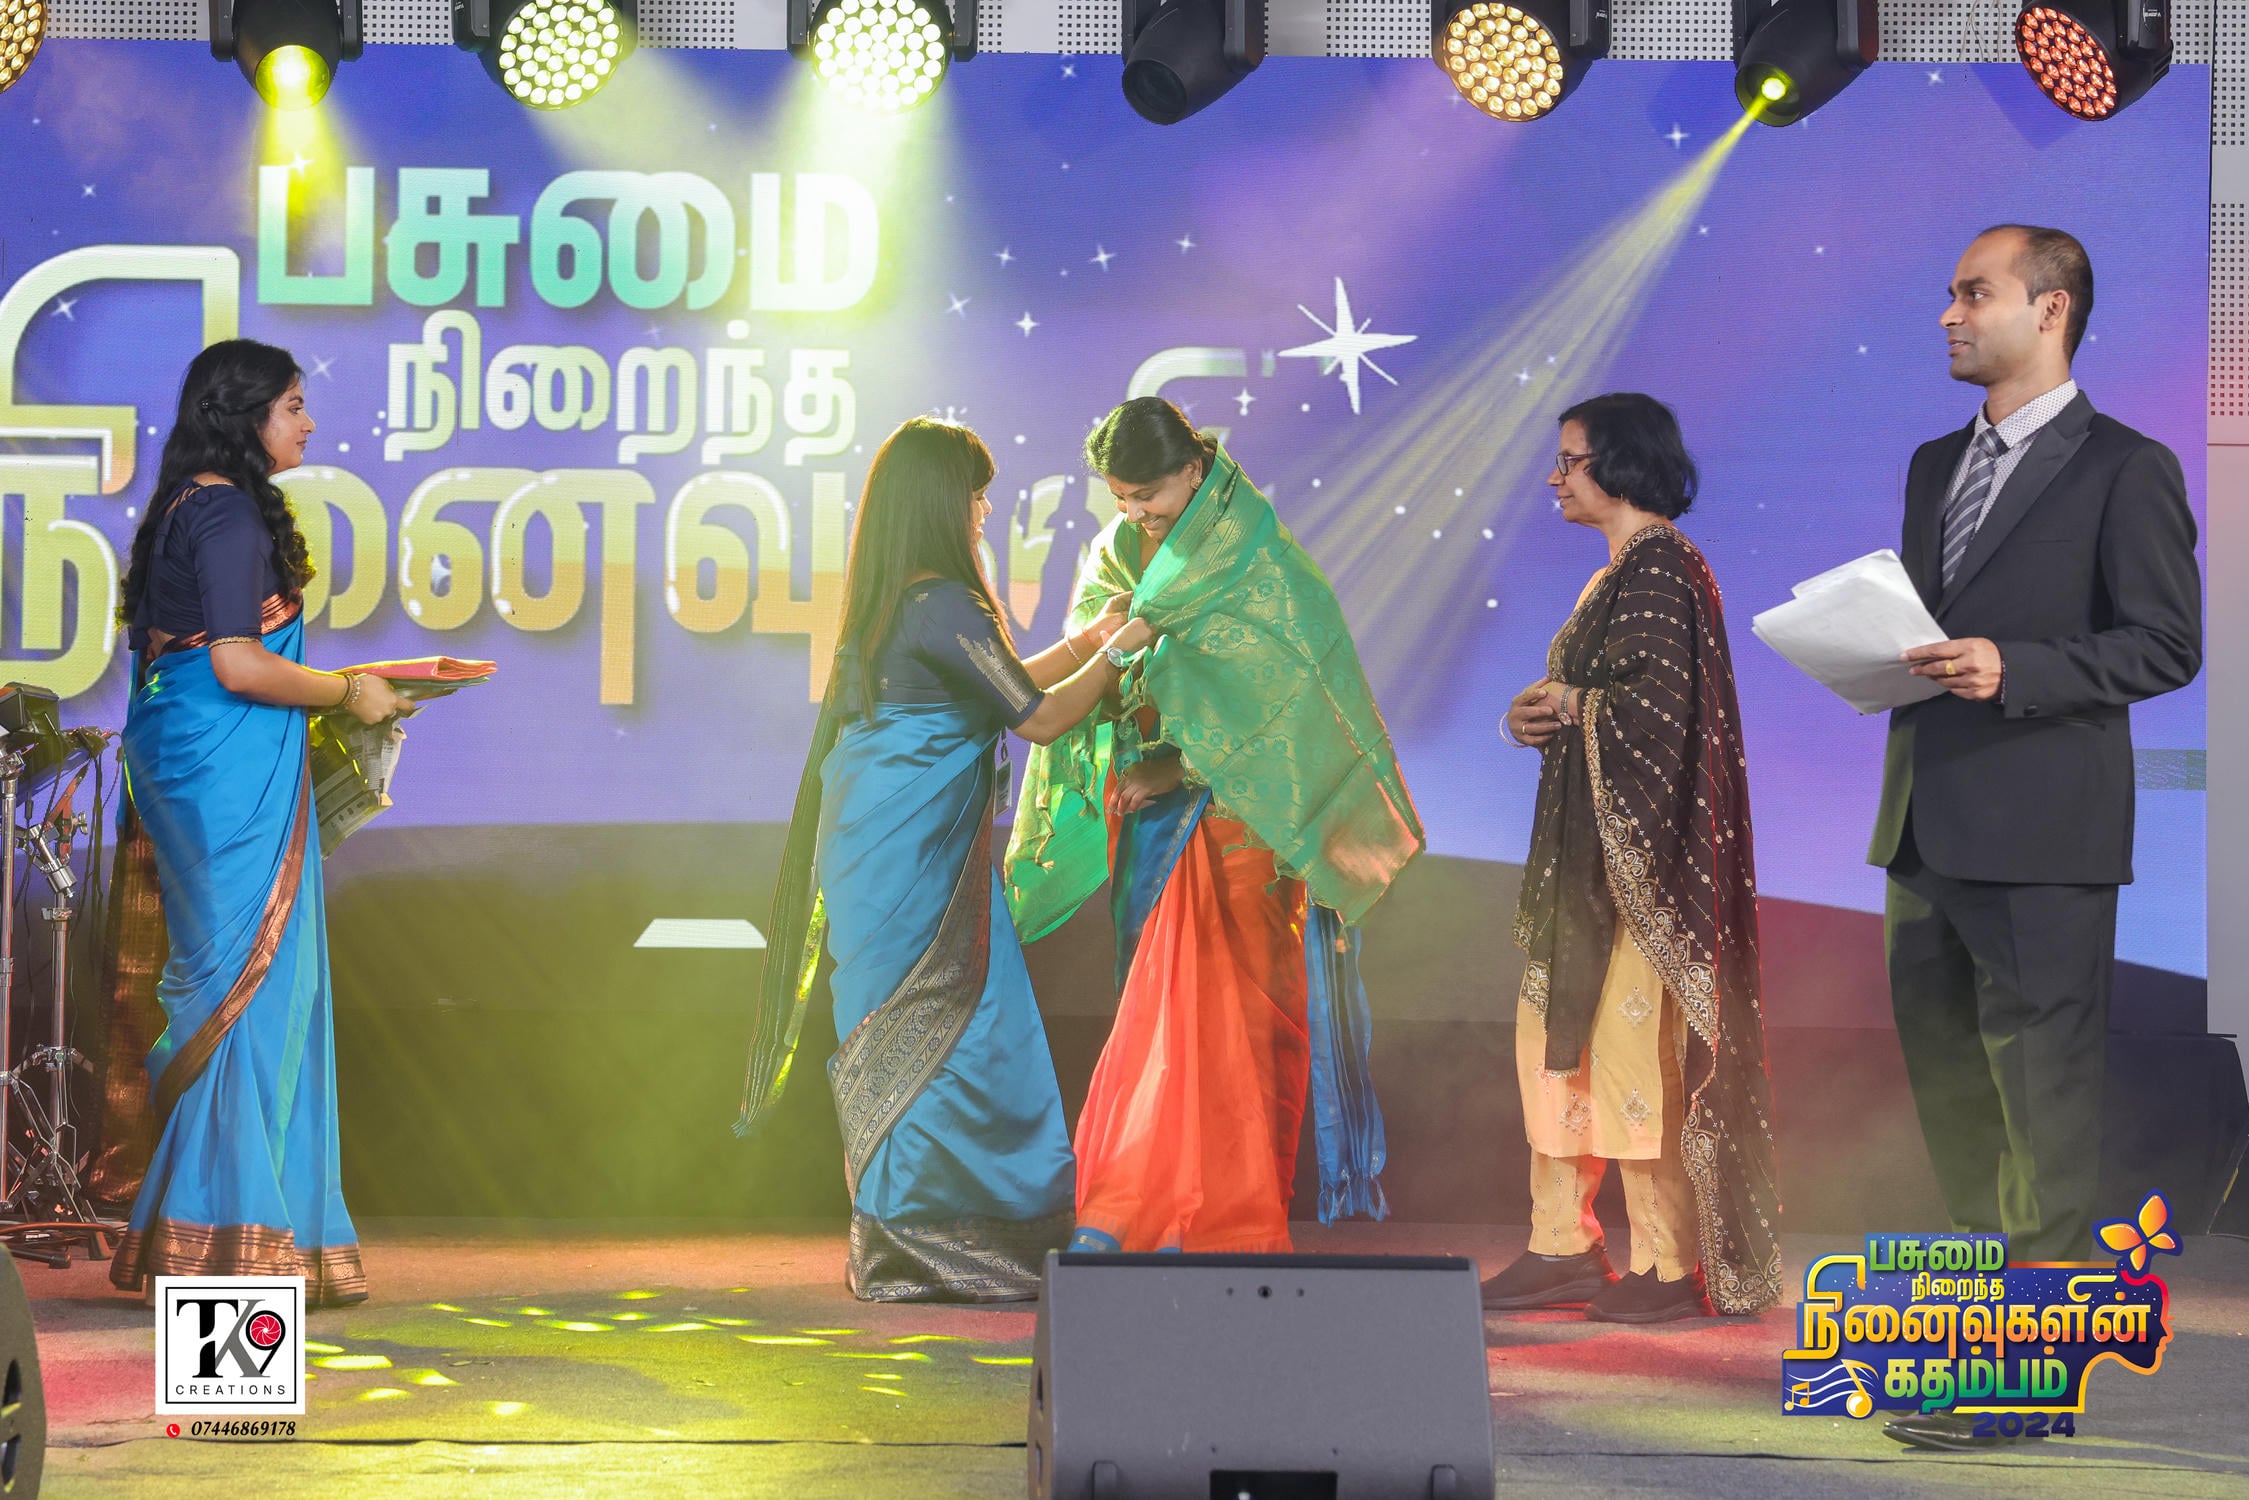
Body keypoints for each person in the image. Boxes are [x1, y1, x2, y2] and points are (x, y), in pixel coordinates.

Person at [1869, 227, 2200, 1449]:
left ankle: (2021, 1374)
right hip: (1921, 826)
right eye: (1948, 293)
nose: (1948, 315)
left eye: (1973, 293)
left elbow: (2165, 644)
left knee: (2042, 1113)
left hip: (2044, 836)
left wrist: (2016, 668)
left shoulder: (2124, 466)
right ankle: (1970, 1342)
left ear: (2049, 309)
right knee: (1955, 1097)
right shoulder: (1930, 463)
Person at [738, 418, 1155, 1301]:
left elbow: (999, 686)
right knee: (954, 1029)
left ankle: (904, 1243)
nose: (984, 511)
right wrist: (1123, 648)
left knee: (916, 1027)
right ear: (941, 502)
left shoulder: (899, 598)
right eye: (975, 495)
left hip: (877, 844)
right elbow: (1040, 717)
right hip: (915, 858)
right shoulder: (944, 603)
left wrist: (1089, 642)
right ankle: (944, 1245)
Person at [1007, 397, 1422, 1255]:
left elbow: (1288, 709)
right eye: (1120, 499)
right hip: (1150, 824)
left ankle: (1227, 1212)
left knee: (1235, 1017)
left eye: (1148, 495)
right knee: (1155, 1012)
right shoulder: (1117, 551)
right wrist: (1129, 704)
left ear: (1192, 470)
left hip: (1240, 822)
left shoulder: (1260, 560)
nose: (1135, 514)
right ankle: (1131, 1202)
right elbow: (1097, 666)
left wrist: (1181, 766)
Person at [109, 339, 411, 1307]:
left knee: (237, 987)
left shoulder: (186, 504)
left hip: (191, 755)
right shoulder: (227, 512)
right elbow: (238, 665)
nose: (308, 423)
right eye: (291, 406)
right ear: (244, 417)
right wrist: (350, 693)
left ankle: (227, 1232)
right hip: (221, 765)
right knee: (253, 993)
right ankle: (228, 1244)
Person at [1484, 393, 1781, 1324]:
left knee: (1631, 1059)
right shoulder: (1614, 575)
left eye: (1569, 460)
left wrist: (1571, 705)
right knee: (1555, 1048)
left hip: (1637, 875)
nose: (1553, 477)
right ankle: (1560, 1247)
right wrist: (1529, 714)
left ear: (1619, 463)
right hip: (1584, 869)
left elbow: (1657, 713)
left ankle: (1668, 1261)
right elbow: (1593, 696)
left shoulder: (1662, 566)